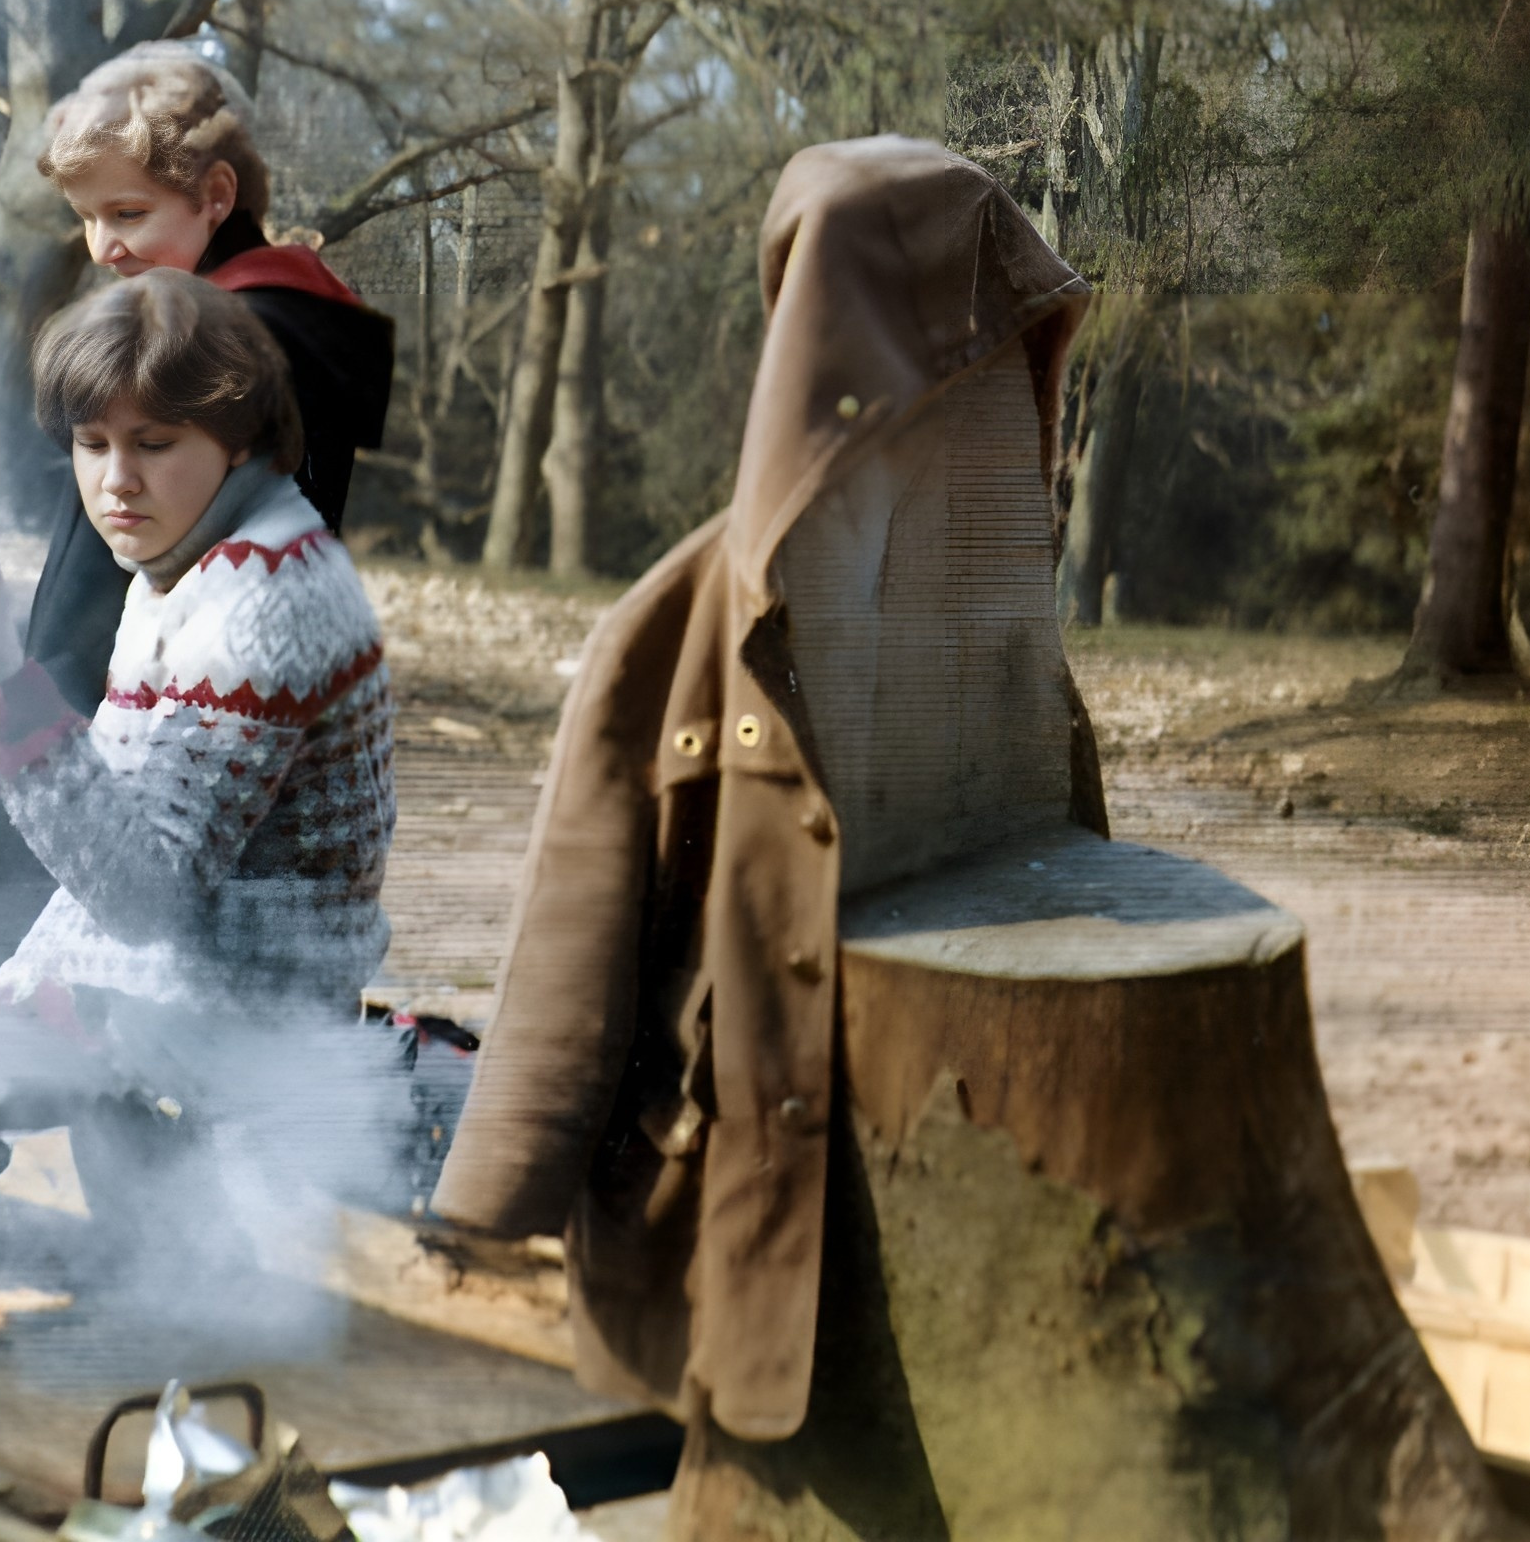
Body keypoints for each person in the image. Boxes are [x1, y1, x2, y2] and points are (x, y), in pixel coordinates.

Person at [428, 139, 1094, 1441]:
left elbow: (1073, 891)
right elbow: (573, 931)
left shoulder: (1008, 649)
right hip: (723, 1181)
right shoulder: (674, 633)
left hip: (938, 1155)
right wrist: (492, 1195)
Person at [0, 45, 395, 998]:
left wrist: (46, 705)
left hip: (165, 761)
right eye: (86, 219)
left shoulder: (241, 341)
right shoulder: (232, 321)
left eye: (128, 215)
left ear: (216, 196)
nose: (103, 247)